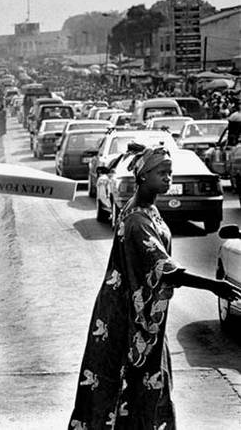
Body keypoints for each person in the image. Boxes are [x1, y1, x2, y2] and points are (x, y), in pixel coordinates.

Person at [68, 145, 241, 430]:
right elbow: (164, 267)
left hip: (145, 316)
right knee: (124, 382)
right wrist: (213, 285)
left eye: (170, 172)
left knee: (148, 382)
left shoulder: (148, 208)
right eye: (161, 173)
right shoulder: (137, 220)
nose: (168, 178)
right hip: (125, 318)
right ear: (143, 176)